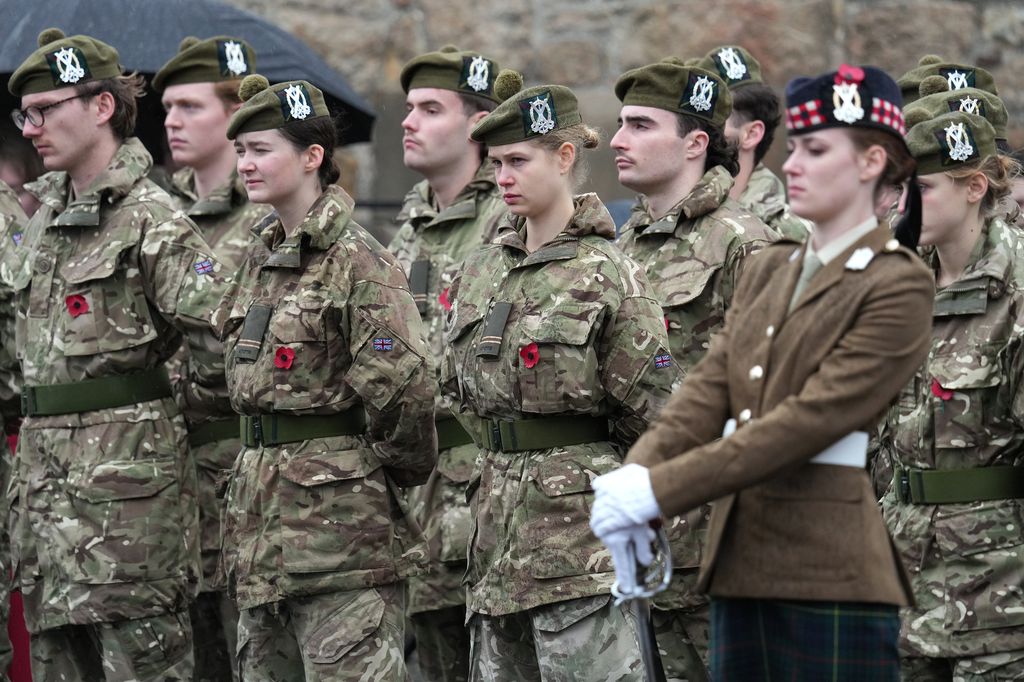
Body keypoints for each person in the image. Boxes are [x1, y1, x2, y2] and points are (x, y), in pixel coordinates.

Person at [590, 64, 935, 681]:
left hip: (828, 569)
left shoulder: (897, 281)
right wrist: (635, 475)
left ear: (871, 163)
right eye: (795, 147)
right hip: (739, 560)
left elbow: (808, 422)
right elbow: (709, 389)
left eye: (818, 149)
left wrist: (658, 491)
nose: (794, 163)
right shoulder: (775, 267)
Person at [3, 28, 235, 680]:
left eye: (46, 110)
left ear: (102, 106)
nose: (32, 127)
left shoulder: (152, 218)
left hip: (132, 516)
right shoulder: (44, 221)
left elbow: (224, 346)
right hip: (49, 517)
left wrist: (150, 437)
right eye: (26, 114)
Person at [441, 69, 677, 681]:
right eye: (496, 164)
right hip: (492, 542)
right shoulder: (481, 271)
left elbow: (657, 415)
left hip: (578, 548)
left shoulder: (608, 274)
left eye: (518, 160)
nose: (504, 178)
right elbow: (455, 393)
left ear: (564, 156)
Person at [218, 74, 437, 681]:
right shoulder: (261, 261)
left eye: (262, 149)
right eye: (241, 150)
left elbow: (406, 392)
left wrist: (366, 471)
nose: (247, 163)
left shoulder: (358, 259)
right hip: (260, 536)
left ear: (312, 156)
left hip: (342, 541)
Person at [609, 57, 778, 681]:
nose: (619, 140)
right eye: (620, 124)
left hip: (716, 540)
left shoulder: (742, 241)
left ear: (695, 143)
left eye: (641, 125)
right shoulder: (618, 248)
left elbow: (777, 395)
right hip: (638, 532)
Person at [876, 107, 1024, 680]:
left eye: (922, 189)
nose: (902, 206)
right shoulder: (900, 282)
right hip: (903, 581)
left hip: (996, 597)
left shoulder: (1014, 293)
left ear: (974, 188)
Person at [153, 35, 268, 681]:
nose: (171, 120)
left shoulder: (265, 219)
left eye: (191, 106)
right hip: (170, 479)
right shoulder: (160, 216)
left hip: (240, 475)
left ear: (235, 115)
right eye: (167, 106)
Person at [391, 45, 506, 681]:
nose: (409, 122)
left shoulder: (507, 218)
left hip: (485, 497)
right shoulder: (409, 227)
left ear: (476, 125)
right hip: (421, 502)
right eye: (408, 108)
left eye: (430, 109)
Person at [694, 45, 810, 241]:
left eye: (712, 123)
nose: (696, 133)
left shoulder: (788, 235)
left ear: (751, 134)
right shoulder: (667, 218)